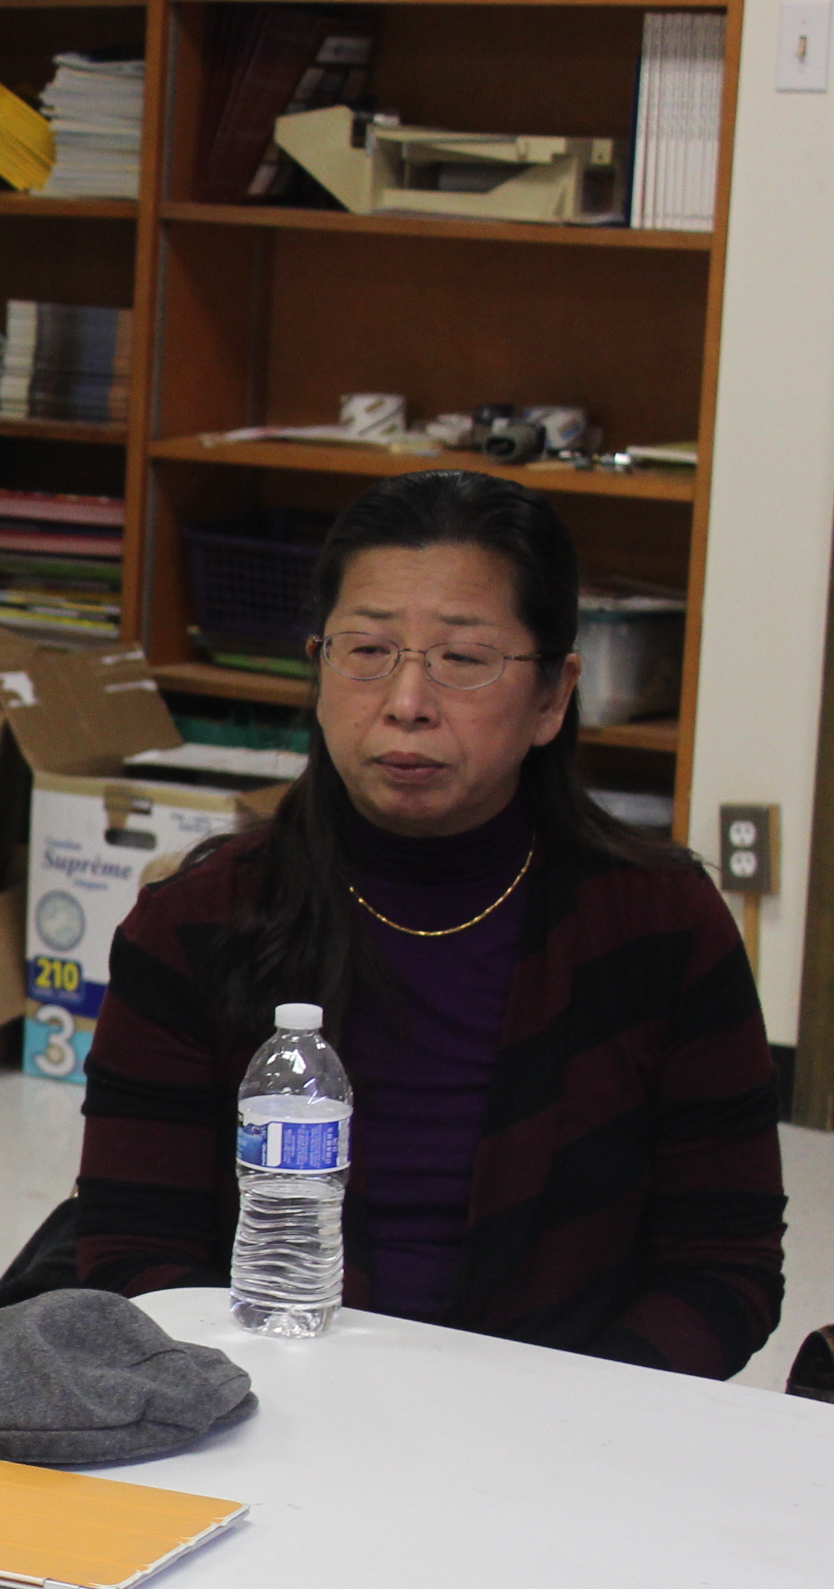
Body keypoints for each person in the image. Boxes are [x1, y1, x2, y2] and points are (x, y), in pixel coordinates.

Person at [78, 471, 783, 1374]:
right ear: (318, 669)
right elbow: (133, 1258)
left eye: (463, 659)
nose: (406, 701)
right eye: (367, 651)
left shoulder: (661, 923)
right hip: (269, 1411)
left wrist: (571, 1420)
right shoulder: (196, 924)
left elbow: (724, 1266)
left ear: (553, 695)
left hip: (573, 1425)